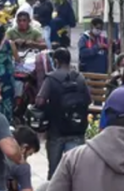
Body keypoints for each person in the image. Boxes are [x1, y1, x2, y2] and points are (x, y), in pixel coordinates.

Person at [35, 47, 92, 179]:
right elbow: (88, 100)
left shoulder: (51, 79)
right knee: (76, 170)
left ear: (56, 61)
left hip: (56, 131)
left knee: (54, 171)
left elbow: (40, 101)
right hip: (77, 130)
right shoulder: (80, 78)